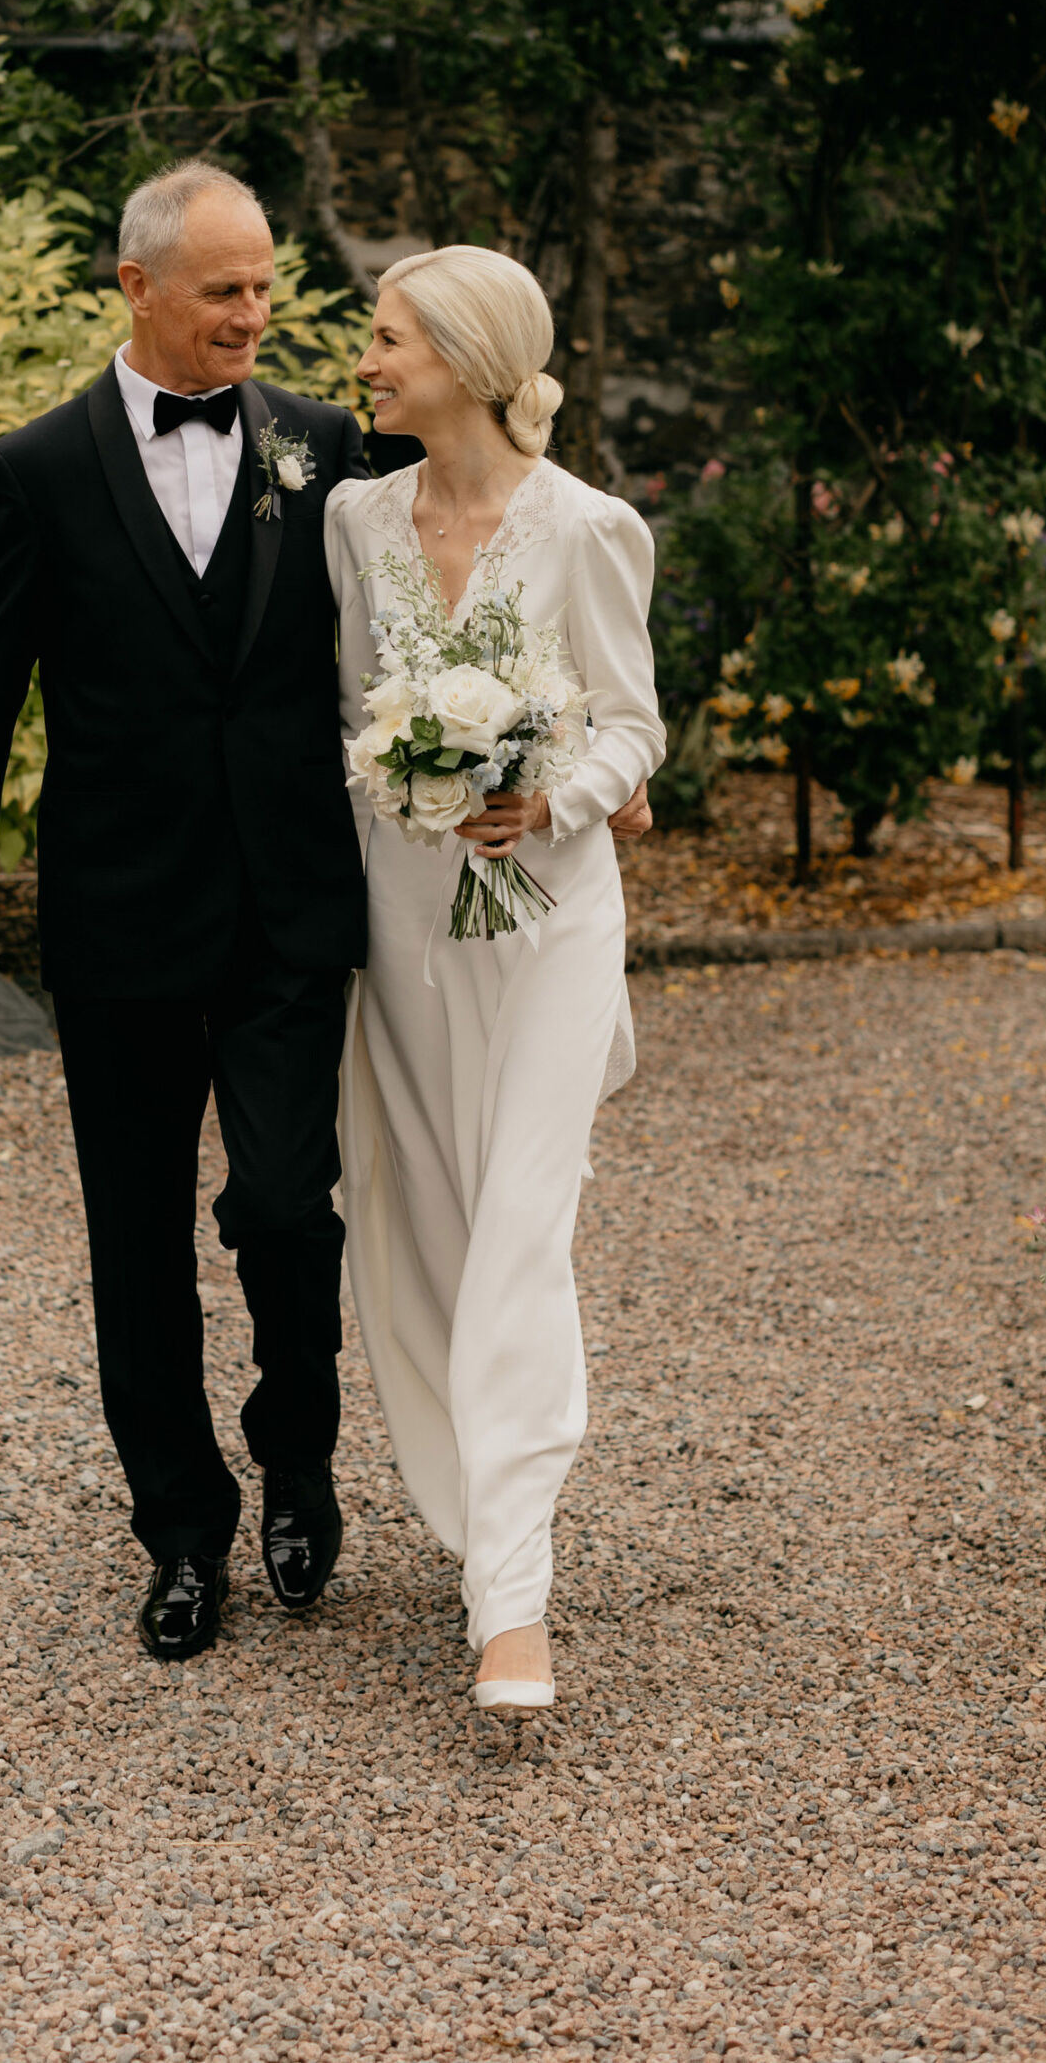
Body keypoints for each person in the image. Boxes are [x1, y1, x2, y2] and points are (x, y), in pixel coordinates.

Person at [0, 160, 369, 1662]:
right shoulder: (37, 469)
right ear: (138, 288)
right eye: (226, 290)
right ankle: (182, 1532)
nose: (255, 315)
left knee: (290, 1209)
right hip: (117, 918)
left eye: (265, 288)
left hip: (291, 912)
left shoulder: (324, 445)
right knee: (134, 1243)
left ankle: (298, 1457)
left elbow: (420, 628)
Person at [325, 246, 662, 1712]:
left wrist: (554, 798)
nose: (367, 360)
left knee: (523, 1227)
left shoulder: (589, 527)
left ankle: (511, 1603)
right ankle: (472, 1525)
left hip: (551, 925)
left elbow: (637, 727)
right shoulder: (351, 520)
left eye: (389, 338)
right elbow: (347, 706)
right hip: (402, 925)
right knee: (432, 1230)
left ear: (462, 358)